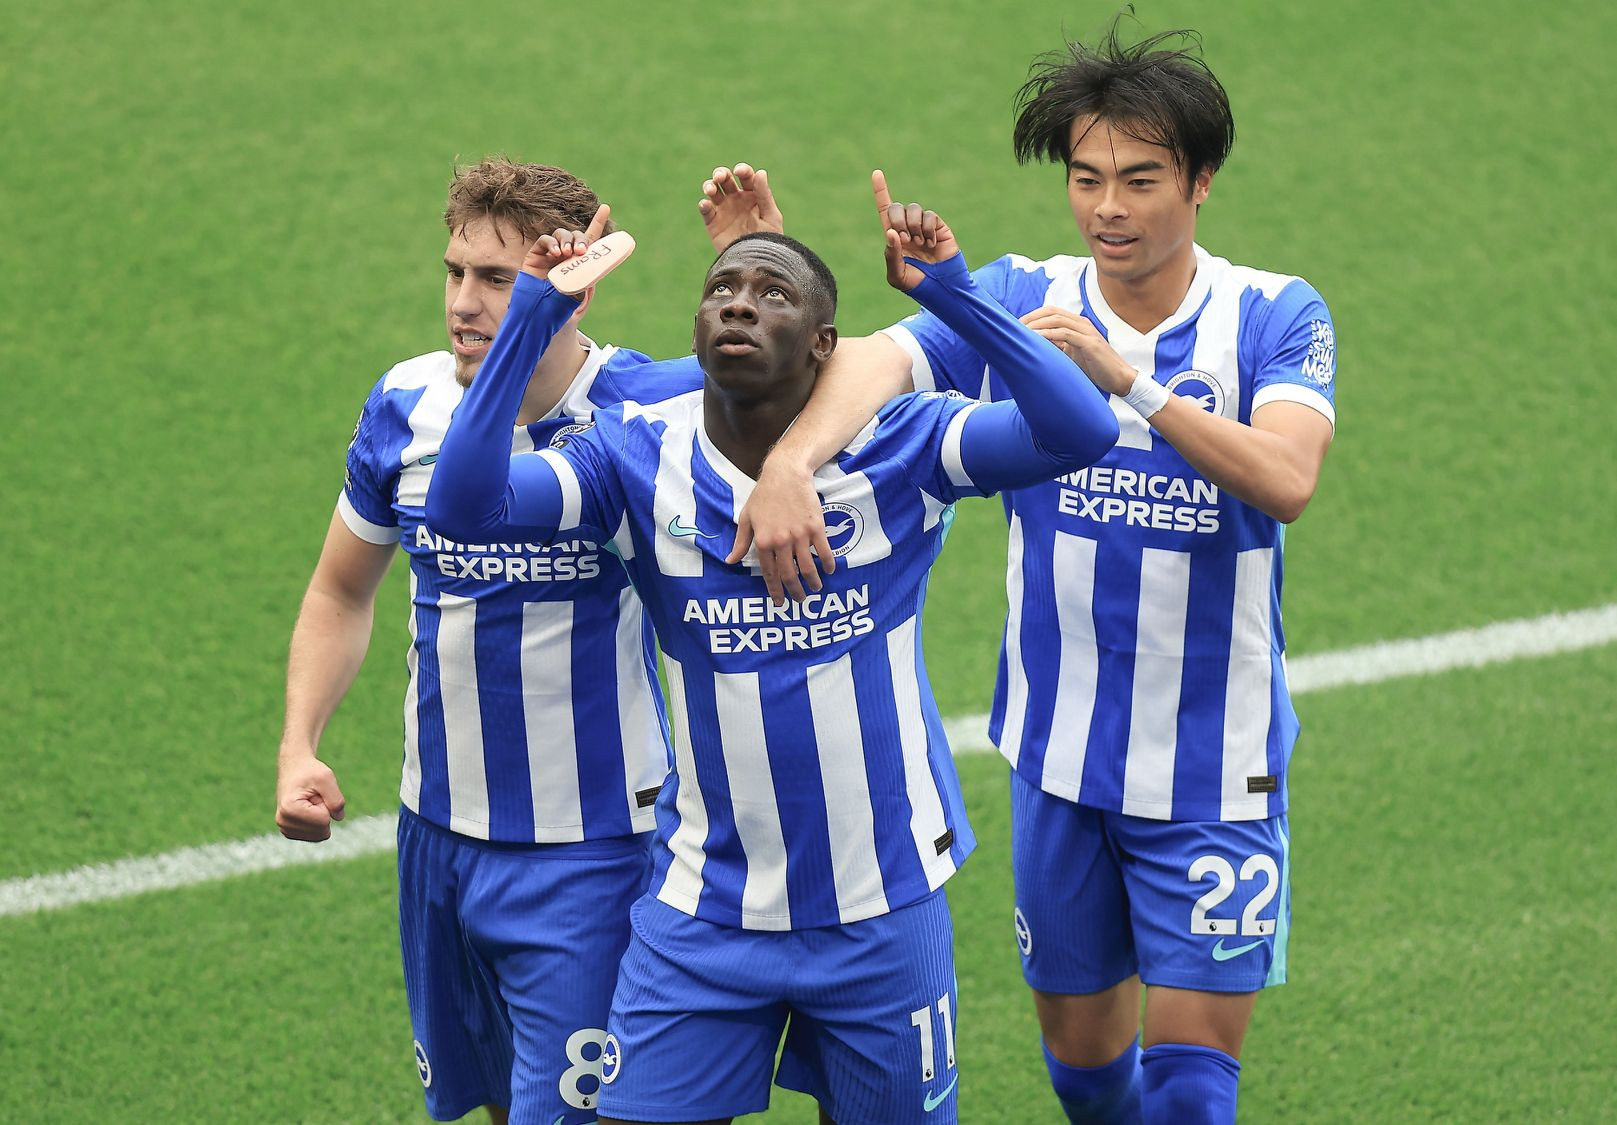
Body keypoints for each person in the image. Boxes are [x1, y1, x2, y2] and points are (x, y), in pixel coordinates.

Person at [737, 23, 1337, 1125]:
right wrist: (789, 462)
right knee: (1084, 1074)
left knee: (1190, 1093)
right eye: (1087, 178)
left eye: (1140, 180)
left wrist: (1128, 384)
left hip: (1212, 770)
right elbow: (876, 362)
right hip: (1057, 757)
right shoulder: (1024, 296)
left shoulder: (1273, 314)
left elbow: (1287, 477)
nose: (1108, 207)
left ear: (1201, 182)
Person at [425, 182, 1119, 1124]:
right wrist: (531, 320)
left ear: (825, 345)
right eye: (721, 290)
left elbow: (1080, 429)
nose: (739, 305)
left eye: (772, 293)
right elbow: (464, 506)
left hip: (880, 904)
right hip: (701, 911)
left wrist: (953, 295)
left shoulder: (900, 445)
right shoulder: (632, 456)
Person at [272, 157, 785, 1125]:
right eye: (455, 271)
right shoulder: (406, 403)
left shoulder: (651, 404)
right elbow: (340, 589)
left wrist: (764, 257)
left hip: (591, 853)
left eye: (498, 280)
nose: (464, 302)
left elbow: (809, 377)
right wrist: (301, 743)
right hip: (435, 837)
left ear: (573, 290)